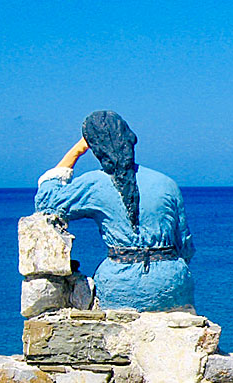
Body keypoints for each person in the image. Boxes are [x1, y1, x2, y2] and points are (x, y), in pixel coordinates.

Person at [35, 111, 195, 312]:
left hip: (121, 284)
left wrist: (77, 151)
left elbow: (46, 201)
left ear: (95, 148)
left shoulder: (94, 183)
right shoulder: (166, 183)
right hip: (172, 282)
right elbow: (186, 247)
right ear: (130, 139)